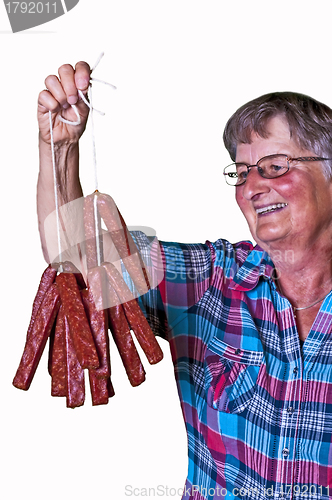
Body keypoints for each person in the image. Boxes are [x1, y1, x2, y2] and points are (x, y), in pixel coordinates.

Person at [38, 62, 332, 499]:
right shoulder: (211, 280)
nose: (252, 186)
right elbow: (77, 260)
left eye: (273, 166)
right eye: (242, 171)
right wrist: (59, 151)